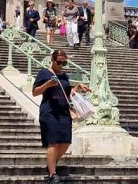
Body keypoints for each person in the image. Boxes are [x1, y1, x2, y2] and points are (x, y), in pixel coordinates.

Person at [33, 49, 91, 183]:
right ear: (52, 60)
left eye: (64, 63)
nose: (61, 65)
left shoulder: (64, 75)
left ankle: (50, 165)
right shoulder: (44, 73)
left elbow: (67, 93)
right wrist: (47, 84)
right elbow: (35, 92)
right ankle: (52, 174)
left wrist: (78, 87)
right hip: (49, 112)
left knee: (65, 142)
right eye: (59, 62)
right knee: (53, 143)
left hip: (64, 112)